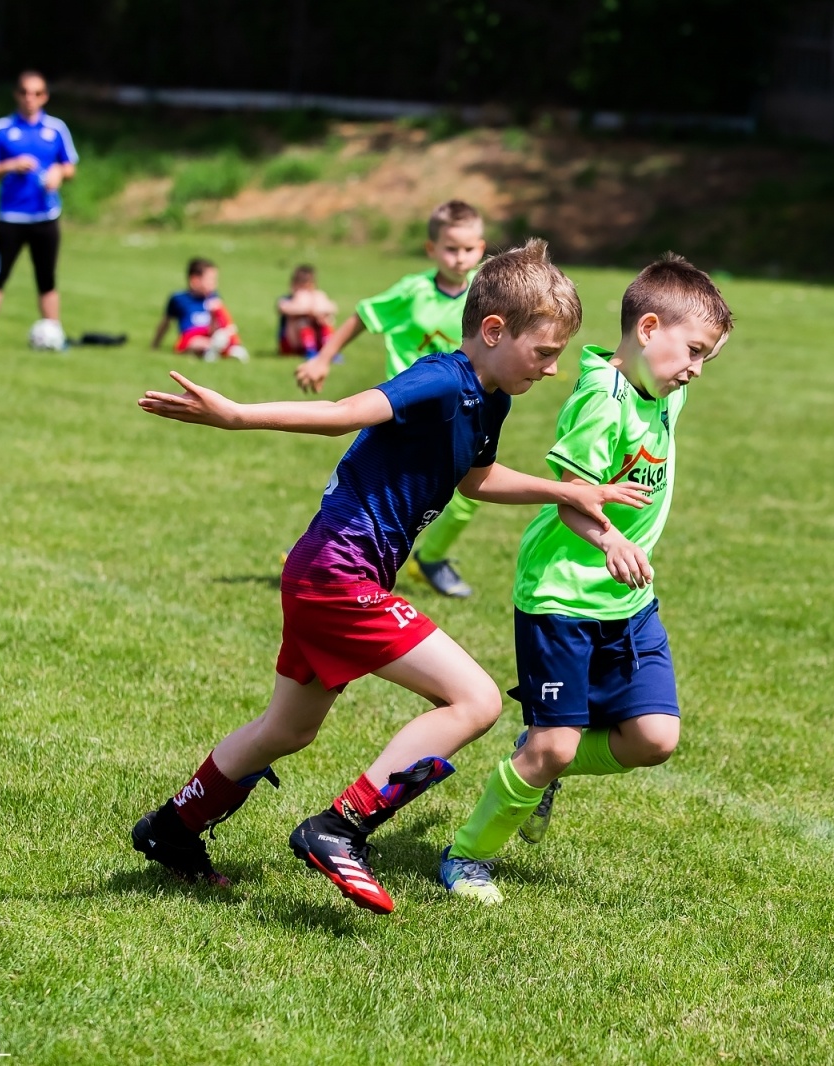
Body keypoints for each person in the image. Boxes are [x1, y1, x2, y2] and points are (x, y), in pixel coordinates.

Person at [129, 239, 653, 915]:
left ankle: (171, 829)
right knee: (476, 700)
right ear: (495, 330)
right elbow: (344, 413)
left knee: (287, 729)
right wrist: (236, 415)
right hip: (336, 573)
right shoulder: (441, 380)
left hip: (326, 572)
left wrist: (567, 492)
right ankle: (339, 828)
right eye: (545, 352)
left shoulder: (491, 399)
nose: (553, 369)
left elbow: (475, 478)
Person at [437, 254, 733, 905]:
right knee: (555, 748)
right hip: (561, 597)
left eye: (707, 357)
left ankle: (543, 758)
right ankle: (466, 857)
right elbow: (573, 495)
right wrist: (610, 539)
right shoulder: (602, 400)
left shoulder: (665, 389)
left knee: (654, 738)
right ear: (648, 329)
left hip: (628, 602)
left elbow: (671, 328)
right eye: (693, 351)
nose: (696, 370)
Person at [294, 200, 489, 599]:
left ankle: (431, 559)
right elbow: (363, 317)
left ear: (481, 248)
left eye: (469, 249)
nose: (460, 257)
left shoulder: (483, 296)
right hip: (404, 411)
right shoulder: (413, 291)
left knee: (468, 496)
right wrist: (323, 358)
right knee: (375, 491)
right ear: (431, 249)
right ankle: (322, 546)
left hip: (459, 413)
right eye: (451, 248)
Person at [0, 71, 78, 350]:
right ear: (16, 95)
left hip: (45, 216)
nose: (30, 98)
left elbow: (70, 167)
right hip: (11, 216)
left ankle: (54, 334)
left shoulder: (56, 129)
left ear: (45, 97)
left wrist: (57, 173)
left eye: (37, 93)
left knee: (47, 278)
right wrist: (11, 165)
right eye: (25, 92)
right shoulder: (0, 129)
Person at [153, 257, 249, 362]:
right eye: (210, 280)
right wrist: (155, 344)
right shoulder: (178, 299)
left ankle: (224, 349)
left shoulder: (214, 298)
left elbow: (219, 324)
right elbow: (166, 322)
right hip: (191, 336)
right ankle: (219, 350)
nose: (214, 284)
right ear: (195, 281)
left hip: (210, 334)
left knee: (221, 336)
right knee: (196, 343)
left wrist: (214, 315)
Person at [277, 264, 338, 358]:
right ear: (293, 285)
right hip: (292, 343)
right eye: (301, 287)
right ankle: (310, 350)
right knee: (302, 321)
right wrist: (306, 310)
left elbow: (333, 307)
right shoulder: (288, 299)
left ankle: (329, 350)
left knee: (327, 320)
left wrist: (319, 314)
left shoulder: (317, 296)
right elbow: (283, 307)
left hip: (316, 337)